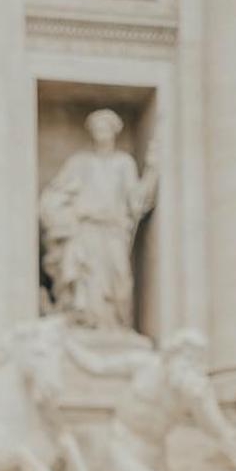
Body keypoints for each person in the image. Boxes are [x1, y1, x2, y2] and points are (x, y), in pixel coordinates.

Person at [39, 108, 158, 329]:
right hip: (85, 230)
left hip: (114, 230)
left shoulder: (124, 163)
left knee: (118, 279)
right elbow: (53, 195)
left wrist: (151, 169)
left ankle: (116, 326)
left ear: (114, 132)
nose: (101, 133)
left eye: (105, 128)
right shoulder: (79, 163)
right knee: (86, 281)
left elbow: (137, 201)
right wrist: (63, 218)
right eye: (97, 129)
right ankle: (87, 324)